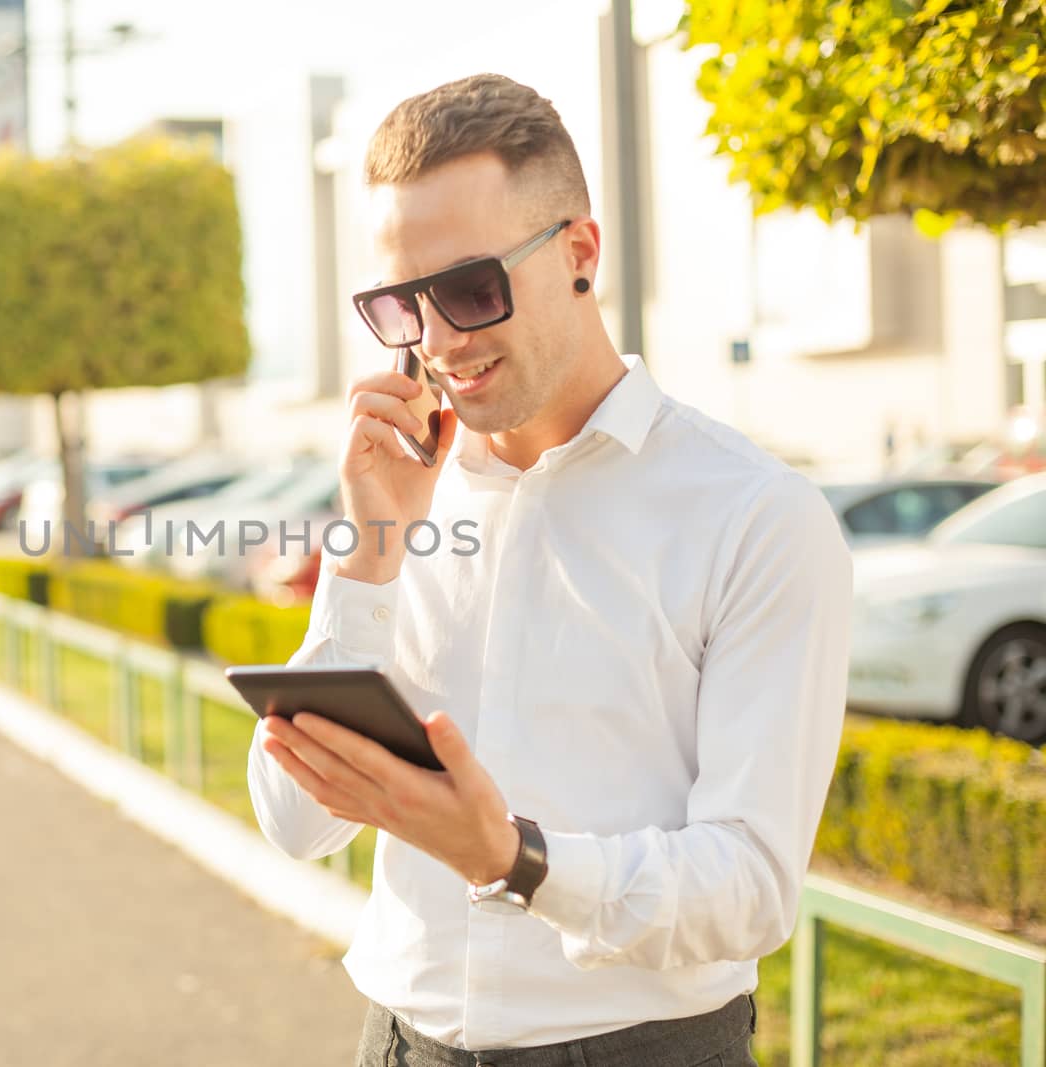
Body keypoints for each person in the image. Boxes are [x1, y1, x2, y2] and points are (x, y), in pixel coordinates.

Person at [245, 73, 852, 1067]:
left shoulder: (755, 517)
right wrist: (367, 562)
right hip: (397, 1042)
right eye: (401, 304)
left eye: (470, 289)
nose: (438, 341)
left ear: (578, 254)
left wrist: (512, 859)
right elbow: (295, 821)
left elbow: (748, 886)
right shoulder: (403, 491)